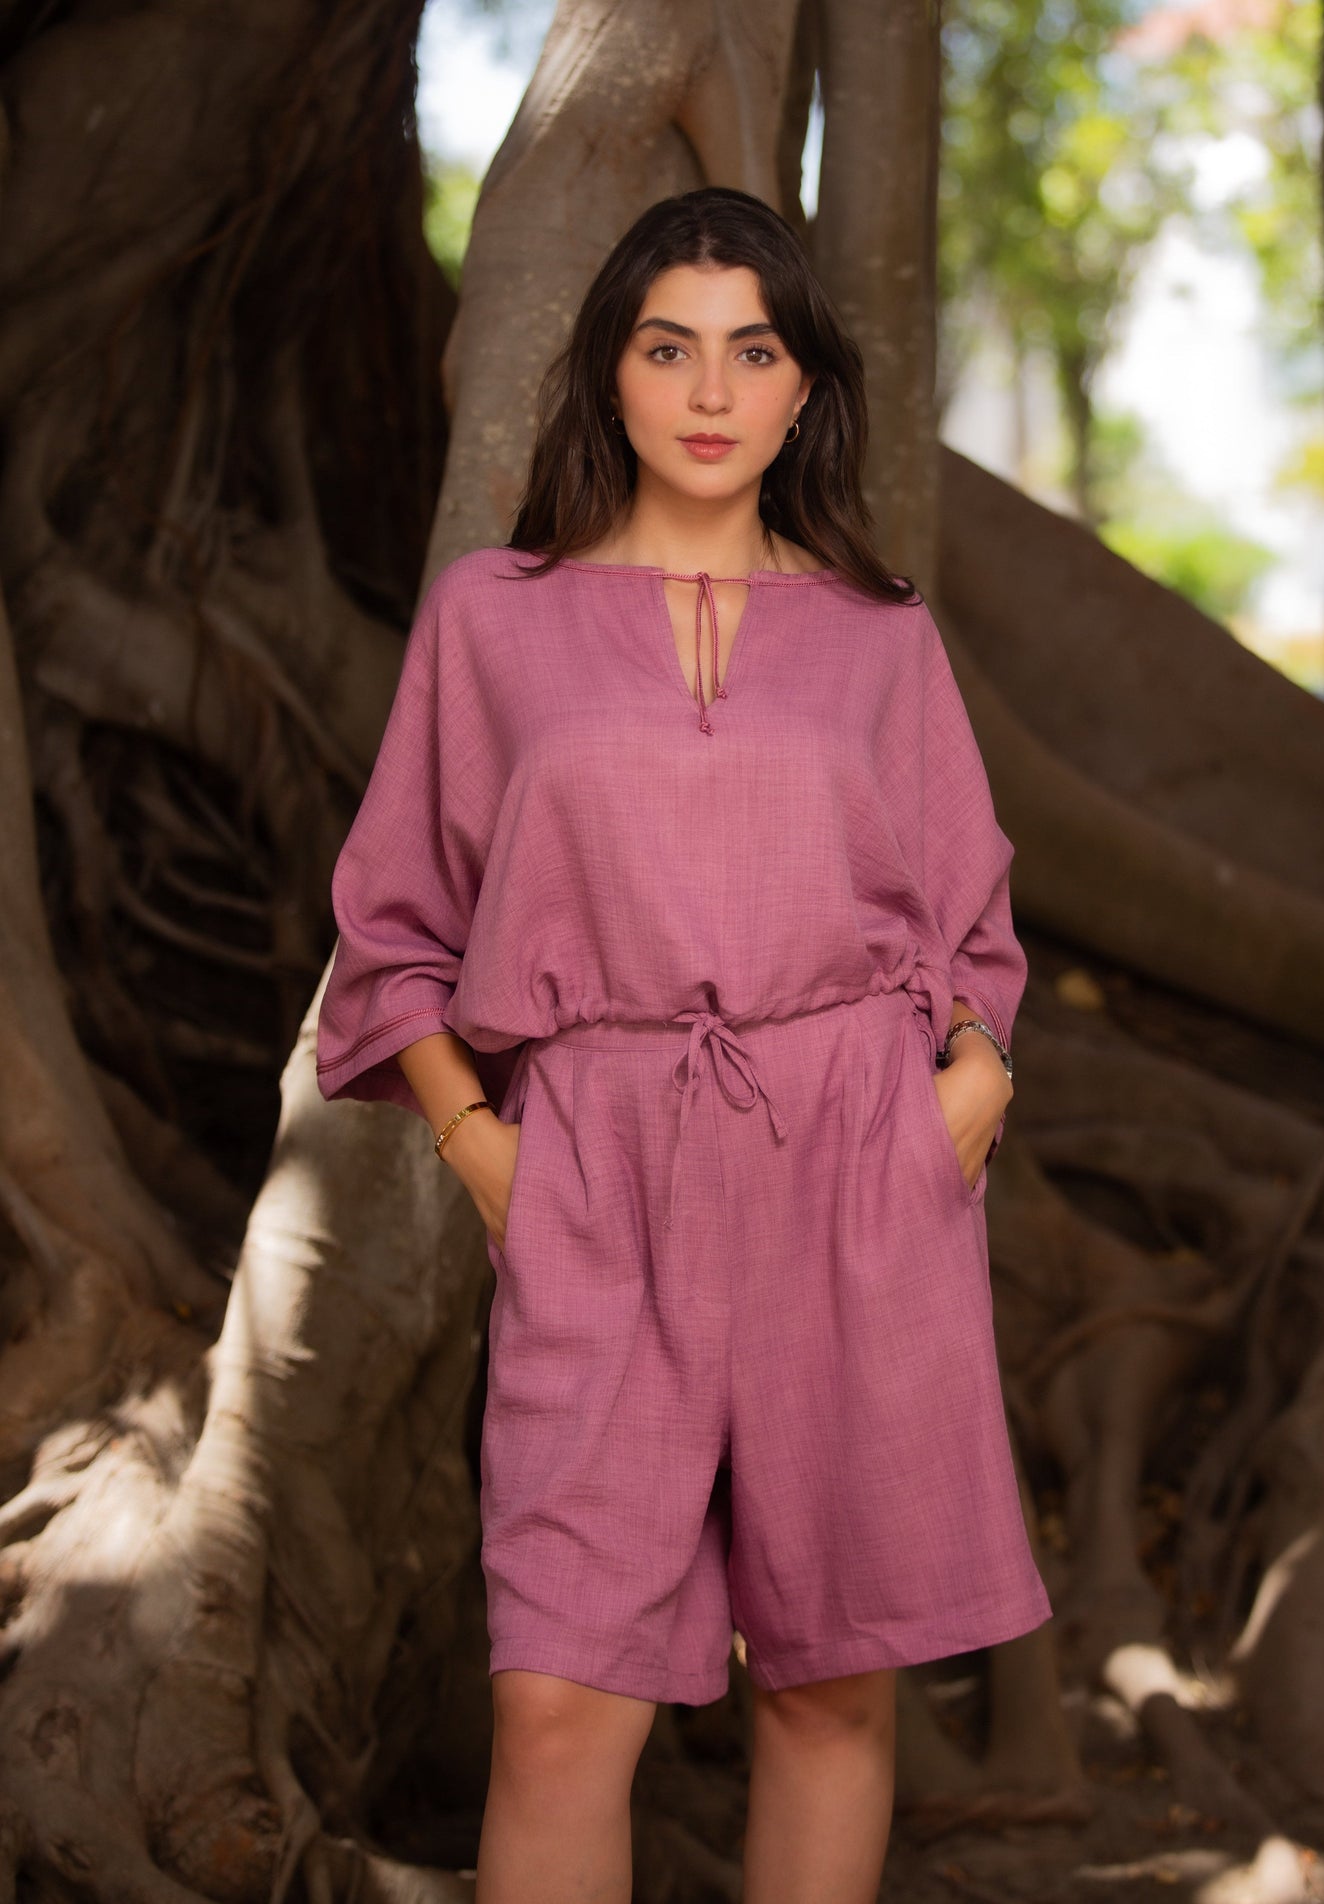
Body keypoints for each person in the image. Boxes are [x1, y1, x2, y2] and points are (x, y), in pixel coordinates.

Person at [315, 184, 1051, 1904]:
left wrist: (971, 1084)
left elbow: (965, 919)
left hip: (855, 1164)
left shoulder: (879, 634)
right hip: (597, 1169)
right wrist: (480, 1145)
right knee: (556, 1711)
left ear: (805, 391)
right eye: (668, 349)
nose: (711, 392)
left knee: (830, 1688)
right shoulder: (495, 617)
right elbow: (393, 924)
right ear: (610, 374)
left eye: (753, 351)